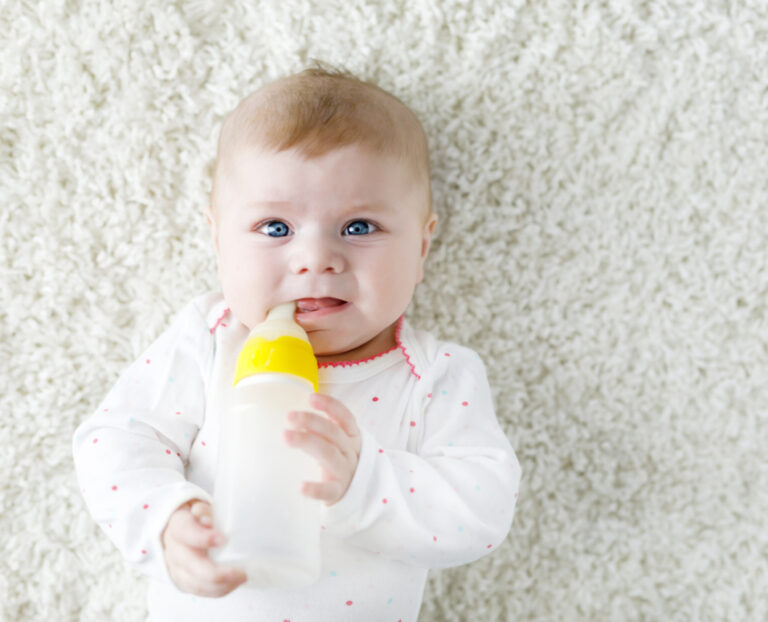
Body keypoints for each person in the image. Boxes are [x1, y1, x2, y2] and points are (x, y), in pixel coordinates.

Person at [73, 64, 521, 621]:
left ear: (423, 247)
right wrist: (165, 520)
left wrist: (364, 481)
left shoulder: (434, 375)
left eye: (358, 227)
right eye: (276, 228)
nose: (315, 259)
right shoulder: (211, 339)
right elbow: (116, 439)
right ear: (218, 240)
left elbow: (481, 508)